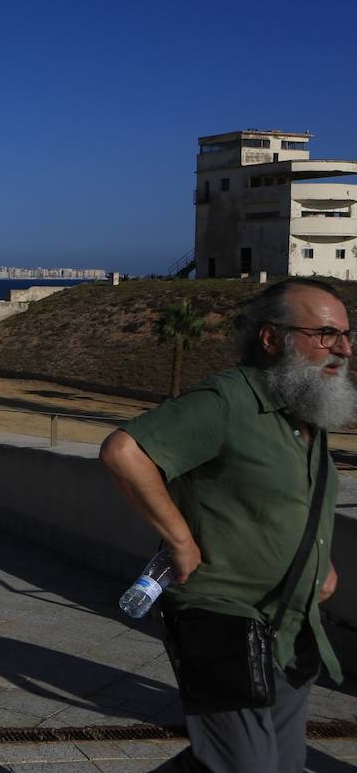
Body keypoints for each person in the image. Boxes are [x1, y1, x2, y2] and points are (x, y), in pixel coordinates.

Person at [99, 278, 348, 772]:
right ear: (271, 338)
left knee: (275, 763)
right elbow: (124, 453)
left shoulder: (303, 415)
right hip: (223, 619)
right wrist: (180, 540)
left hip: (291, 622)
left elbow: (282, 502)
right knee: (248, 766)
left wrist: (322, 562)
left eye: (346, 333)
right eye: (323, 333)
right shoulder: (229, 401)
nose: (341, 347)